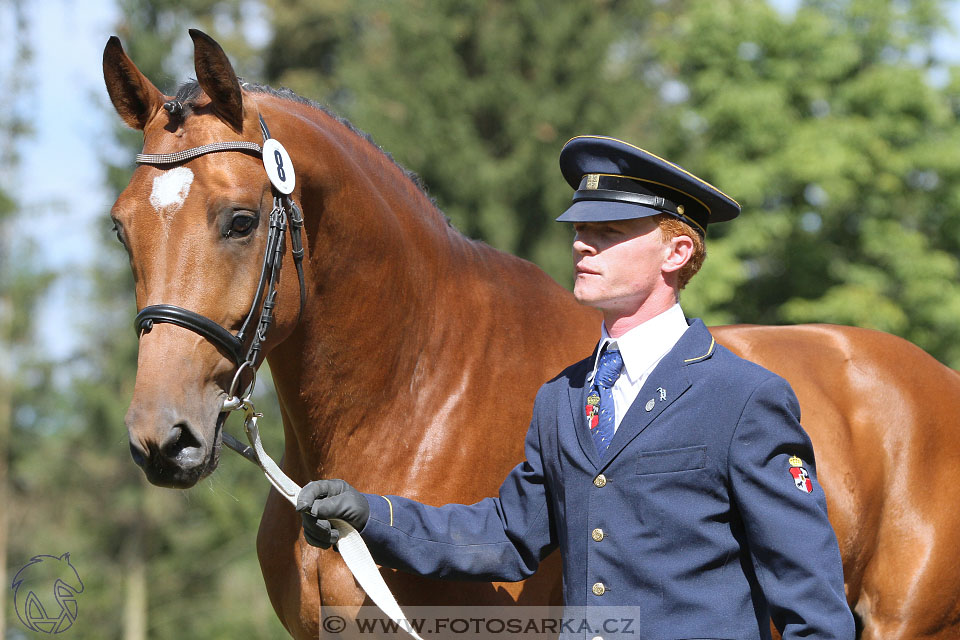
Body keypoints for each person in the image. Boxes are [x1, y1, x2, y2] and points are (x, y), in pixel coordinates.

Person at [298, 136, 855, 639]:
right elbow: (506, 535)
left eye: (608, 232)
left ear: (677, 252)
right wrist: (371, 517)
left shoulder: (743, 398)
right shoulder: (561, 398)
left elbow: (814, 605)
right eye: (581, 230)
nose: (582, 245)